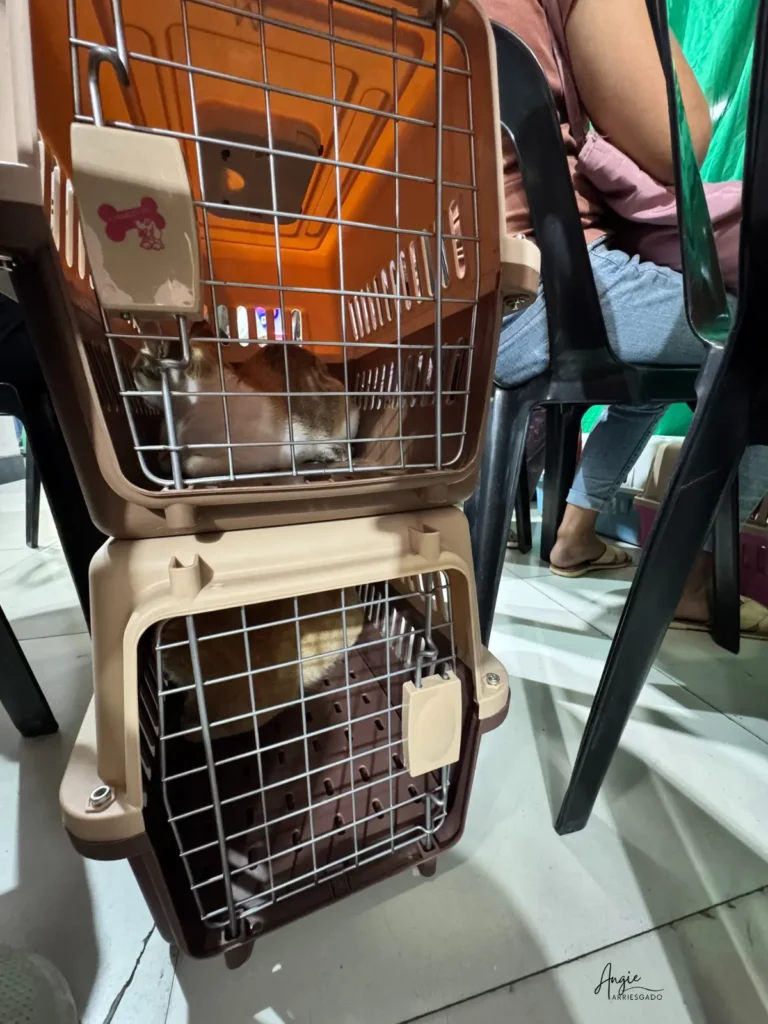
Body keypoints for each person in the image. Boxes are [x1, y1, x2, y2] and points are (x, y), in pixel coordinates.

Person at [481, 0, 768, 637]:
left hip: (453, 297)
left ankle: (578, 530)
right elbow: (680, 135)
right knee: (750, 343)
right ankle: (694, 579)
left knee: (648, 386)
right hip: (546, 287)